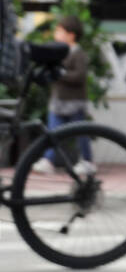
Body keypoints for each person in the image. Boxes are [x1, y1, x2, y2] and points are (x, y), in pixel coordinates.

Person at [31, 15, 93, 174]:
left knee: (80, 133)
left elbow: (79, 76)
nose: (55, 35)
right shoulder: (57, 54)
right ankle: (48, 160)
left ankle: (87, 161)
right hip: (57, 102)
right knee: (52, 133)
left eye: (59, 31)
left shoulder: (77, 54)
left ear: (71, 35)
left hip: (74, 102)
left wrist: (61, 74)